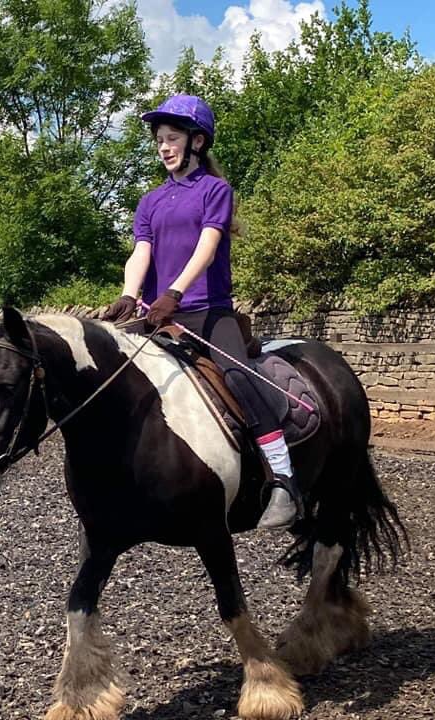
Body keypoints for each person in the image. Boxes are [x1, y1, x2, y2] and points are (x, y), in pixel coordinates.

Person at [101, 94, 301, 530]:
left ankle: (284, 479)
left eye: (171, 139)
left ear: (196, 141)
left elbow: (207, 247)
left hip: (206, 312)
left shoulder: (216, 191)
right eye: (159, 141)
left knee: (237, 376)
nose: (164, 147)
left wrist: (173, 291)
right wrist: (129, 293)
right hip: (155, 313)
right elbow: (141, 251)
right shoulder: (150, 201)